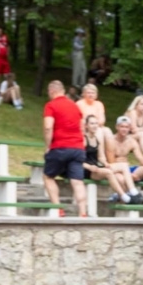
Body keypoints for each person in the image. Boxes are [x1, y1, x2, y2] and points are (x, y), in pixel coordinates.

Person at [41, 79, 89, 217]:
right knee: (77, 181)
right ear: (63, 91)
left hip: (60, 147)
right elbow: (82, 127)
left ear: (51, 91)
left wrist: (48, 146)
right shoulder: (75, 106)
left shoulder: (51, 105)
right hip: (78, 148)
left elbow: (48, 127)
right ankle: (83, 213)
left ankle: (58, 209)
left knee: (48, 177)